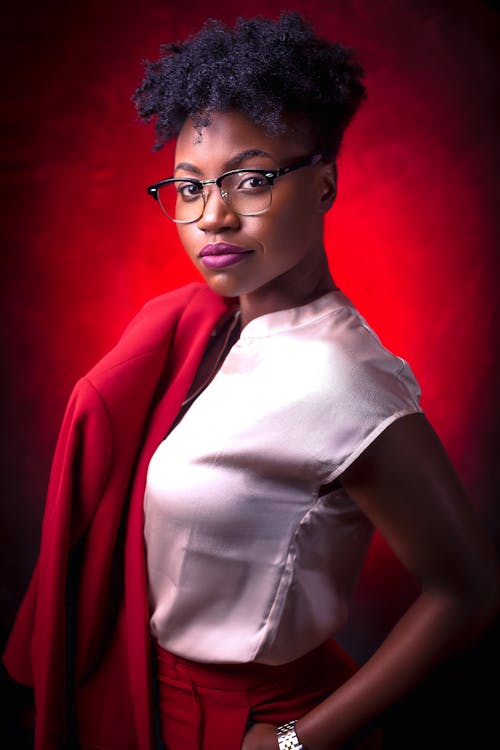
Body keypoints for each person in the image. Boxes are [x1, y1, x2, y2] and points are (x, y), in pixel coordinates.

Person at [3, 12, 499, 750]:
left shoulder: (344, 380)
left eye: (253, 179)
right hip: (151, 696)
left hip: (250, 724)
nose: (215, 216)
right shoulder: (202, 328)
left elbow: (468, 592)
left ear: (324, 181)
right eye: (189, 187)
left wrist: (298, 743)